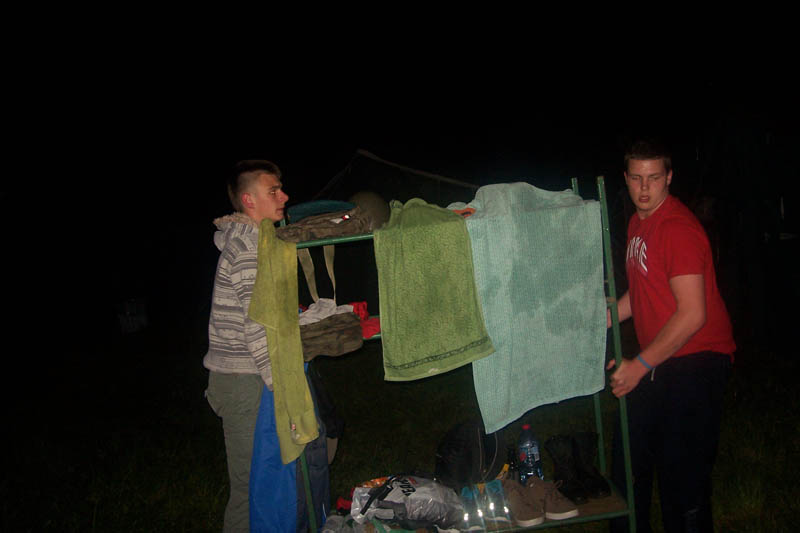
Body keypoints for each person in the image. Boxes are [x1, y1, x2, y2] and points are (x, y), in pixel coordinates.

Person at [607, 139, 736, 533]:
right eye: (636, 178)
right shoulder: (638, 223)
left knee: (682, 479)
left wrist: (639, 366)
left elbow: (693, 314)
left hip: (698, 360)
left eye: (654, 178)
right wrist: (603, 318)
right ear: (626, 178)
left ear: (669, 178)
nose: (644, 188)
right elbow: (641, 293)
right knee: (628, 463)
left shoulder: (677, 228)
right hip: (663, 360)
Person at [203, 160, 292, 531]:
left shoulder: (262, 242)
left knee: (271, 479)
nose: (284, 196)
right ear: (249, 200)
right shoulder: (246, 249)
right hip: (242, 381)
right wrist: (282, 388)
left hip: (253, 375)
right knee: (249, 487)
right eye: (273, 191)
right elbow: (257, 325)